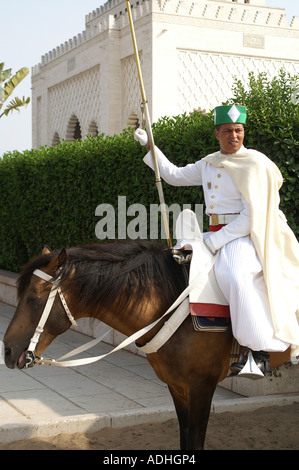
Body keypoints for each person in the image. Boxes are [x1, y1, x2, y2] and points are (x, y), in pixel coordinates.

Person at [134, 104, 299, 377]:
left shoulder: (256, 164)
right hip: (211, 233)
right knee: (173, 266)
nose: (234, 135)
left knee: (235, 276)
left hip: (244, 234)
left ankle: (258, 353)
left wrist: (217, 241)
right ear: (217, 134)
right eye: (227, 131)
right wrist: (150, 146)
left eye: (238, 130)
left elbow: (252, 215)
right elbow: (173, 176)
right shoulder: (209, 164)